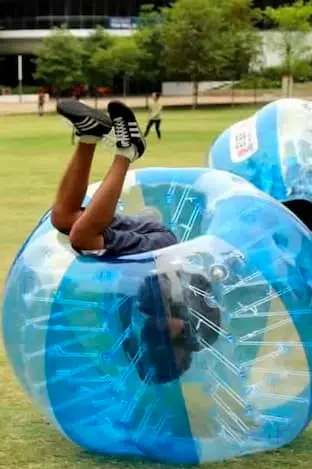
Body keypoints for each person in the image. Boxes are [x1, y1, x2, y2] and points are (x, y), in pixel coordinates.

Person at [52, 98, 221, 384]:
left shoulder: (140, 327)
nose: (160, 340)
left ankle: (89, 134)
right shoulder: (203, 334)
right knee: (83, 237)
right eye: (168, 352)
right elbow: (200, 281)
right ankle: (128, 150)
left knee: (64, 219)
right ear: (181, 360)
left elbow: (116, 300)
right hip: (160, 251)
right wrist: (178, 324)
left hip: (146, 245)